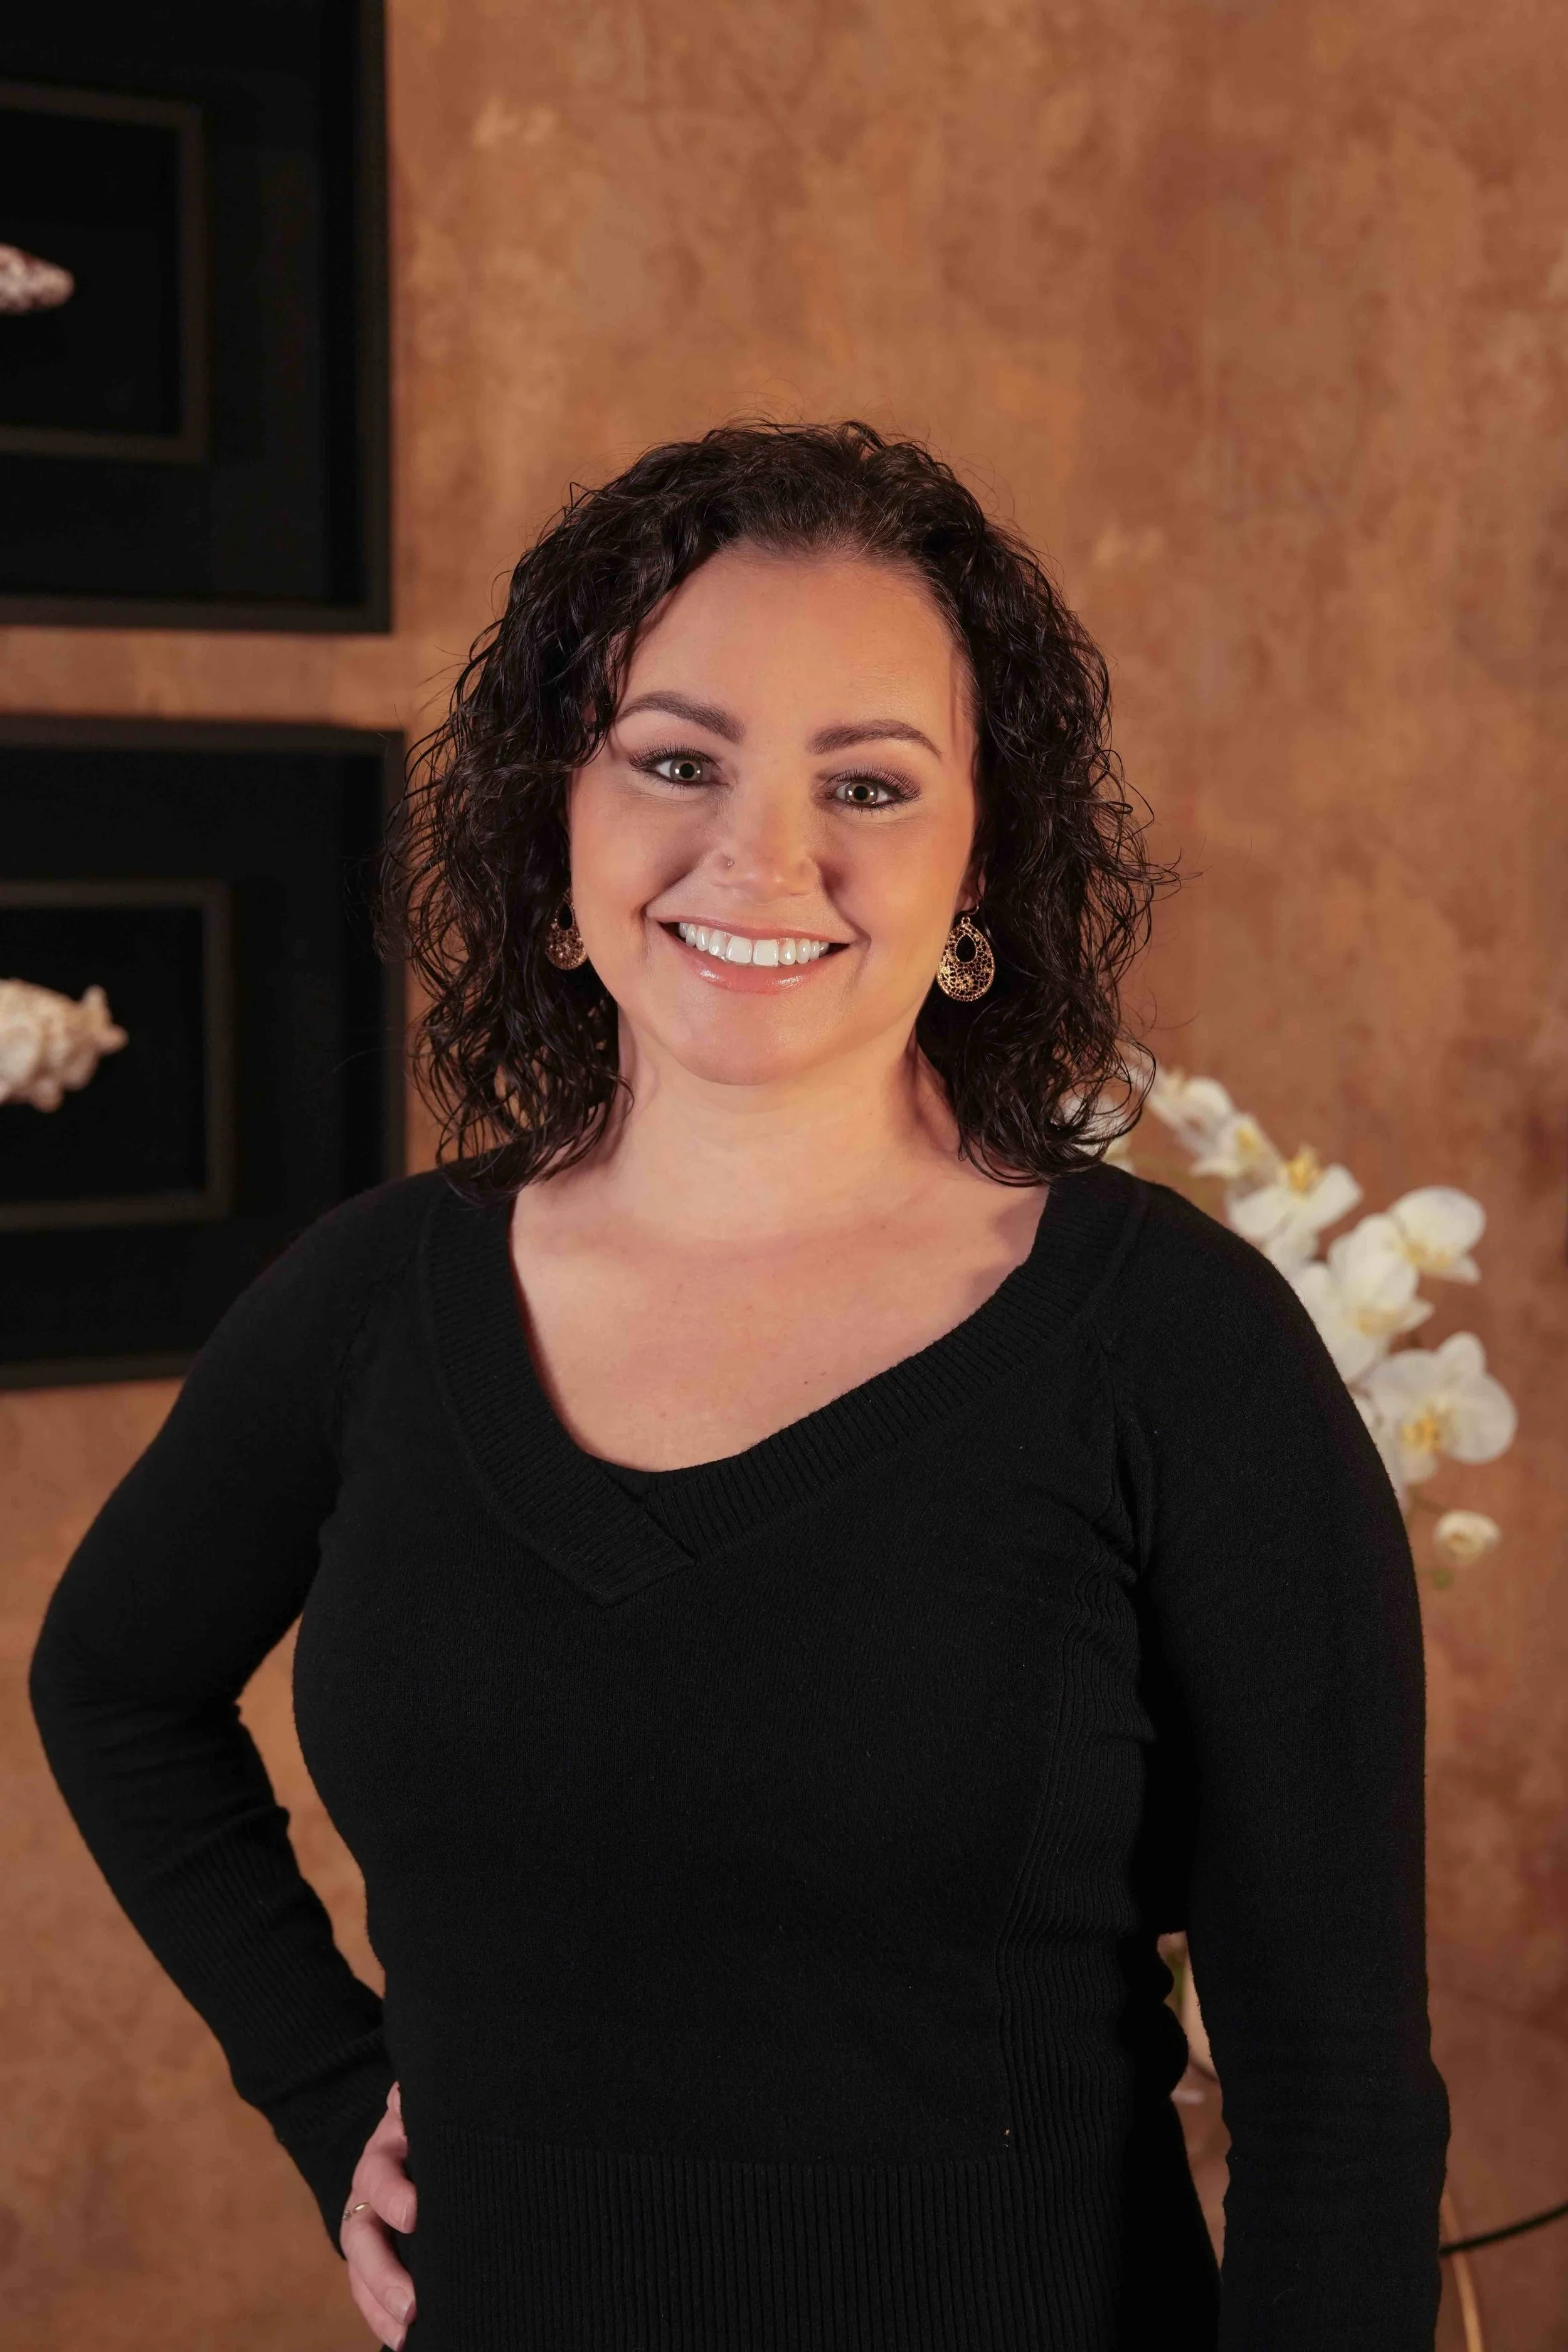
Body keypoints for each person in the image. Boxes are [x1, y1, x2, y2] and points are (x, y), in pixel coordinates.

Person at [28, 420, 1450, 2350]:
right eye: (675, 759)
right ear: (560, 826)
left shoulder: (1180, 1356)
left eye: (866, 781)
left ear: (979, 870)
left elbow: (1336, 2106)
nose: (757, 855)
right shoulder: (373, 1302)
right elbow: (111, 1680)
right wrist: (316, 2077)